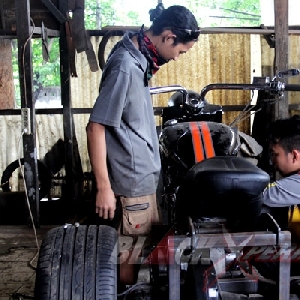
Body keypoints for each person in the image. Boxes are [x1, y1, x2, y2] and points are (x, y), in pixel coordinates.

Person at [86, 4, 199, 284]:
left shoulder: (139, 63)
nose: (176, 58)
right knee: (128, 263)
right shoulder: (126, 66)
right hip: (131, 188)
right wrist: (103, 188)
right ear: (169, 36)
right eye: (180, 51)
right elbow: (96, 126)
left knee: (135, 255)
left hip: (141, 184)